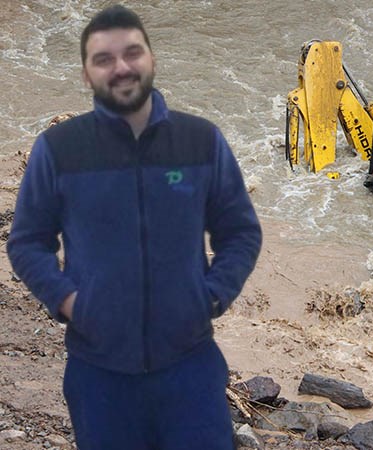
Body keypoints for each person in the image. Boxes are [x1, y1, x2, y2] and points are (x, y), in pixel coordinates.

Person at [7, 5, 262, 449]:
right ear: (86, 74)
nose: (121, 67)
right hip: (99, 375)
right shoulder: (59, 150)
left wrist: (211, 295)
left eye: (132, 52)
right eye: (103, 59)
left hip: (190, 368)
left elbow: (240, 231)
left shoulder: (200, 141)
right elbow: (28, 242)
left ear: (152, 58)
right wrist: (70, 302)